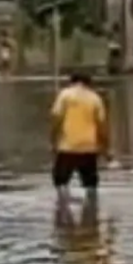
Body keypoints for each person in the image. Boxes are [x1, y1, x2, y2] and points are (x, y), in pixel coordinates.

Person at [50, 72, 110, 201]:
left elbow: (56, 119)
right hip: (89, 147)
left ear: (72, 82)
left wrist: (53, 140)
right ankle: (92, 213)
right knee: (90, 184)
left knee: (61, 182)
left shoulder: (65, 95)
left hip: (67, 146)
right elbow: (102, 126)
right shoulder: (95, 98)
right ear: (89, 83)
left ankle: (62, 211)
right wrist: (105, 148)